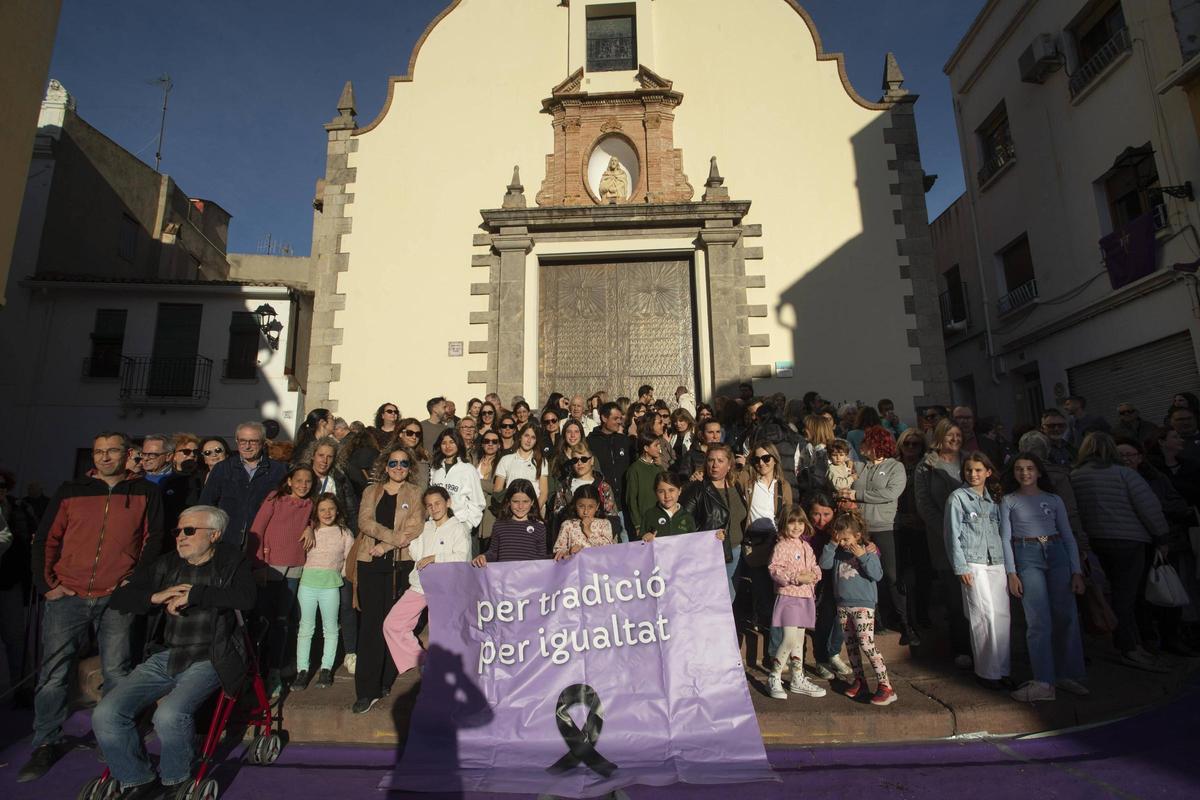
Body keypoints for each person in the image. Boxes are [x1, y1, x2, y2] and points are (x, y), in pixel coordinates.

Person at [20, 431, 164, 784]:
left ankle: (111, 739)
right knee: (54, 673)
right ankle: (46, 741)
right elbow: (46, 538)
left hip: (116, 596)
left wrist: (132, 582)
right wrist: (47, 585)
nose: (104, 457)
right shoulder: (71, 490)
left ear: (127, 454)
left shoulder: (145, 492)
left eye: (112, 451)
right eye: (98, 451)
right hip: (68, 594)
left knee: (116, 672)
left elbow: (154, 540)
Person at [91, 505, 255, 800]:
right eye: (178, 531)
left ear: (214, 534)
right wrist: (155, 596)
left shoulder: (232, 562)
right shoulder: (167, 564)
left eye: (189, 530)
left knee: (169, 714)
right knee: (106, 713)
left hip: (211, 655)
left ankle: (176, 779)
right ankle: (135, 778)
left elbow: (246, 598)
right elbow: (120, 597)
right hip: (167, 654)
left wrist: (195, 594)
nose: (181, 536)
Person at [1071, 432, 1170, 670]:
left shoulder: (1075, 476)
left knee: (1109, 593)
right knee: (1127, 596)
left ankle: (1124, 641)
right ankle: (1130, 647)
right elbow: (1149, 508)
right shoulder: (1125, 474)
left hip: (1095, 540)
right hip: (1129, 540)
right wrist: (1162, 537)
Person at [1001, 454, 1089, 702]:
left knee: (1066, 615)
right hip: (1026, 553)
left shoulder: (1054, 499)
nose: (1025, 472)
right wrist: (1011, 573)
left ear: (1039, 472)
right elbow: (1005, 538)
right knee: (1038, 620)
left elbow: (1068, 536)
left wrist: (1076, 571)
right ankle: (1043, 680)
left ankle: (1066, 674)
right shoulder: (1009, 500)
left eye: (1030, 468)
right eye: (1019, 468)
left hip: (1056, 551)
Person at [351, 446, 423, 713]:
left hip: (400, 564)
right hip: (370, 562)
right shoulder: (371, 491)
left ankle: (385, 679)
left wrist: (386, 546)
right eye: (393, 463)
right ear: (385, 466)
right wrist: (390, 540)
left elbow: (415, 527)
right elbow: (365, 522)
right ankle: (366, 690)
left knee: (392, 623)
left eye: (404, 463)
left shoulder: (415, 493)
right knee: (371, 624)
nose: (398, 468)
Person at [383, 487, 472, 676]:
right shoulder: (425, 527)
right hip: (420, 585)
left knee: (440, 635)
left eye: (438, 503)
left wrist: (435, 558)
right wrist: (410, 541)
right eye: (429, 505)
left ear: (448, 503)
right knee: (392, 624)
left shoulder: (459, 528)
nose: (434, 508)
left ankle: (442, 675)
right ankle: (423, 660)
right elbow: (417, 554)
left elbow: (462, 558)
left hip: (445, 589)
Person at [944, 452, 1010, 690]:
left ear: (988, 472)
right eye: (969, 470)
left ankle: (1002, 669)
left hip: (996, 561)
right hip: (973, 561)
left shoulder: (994, 500)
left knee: (1001, 616)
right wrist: (960, 566)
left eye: (978, 470)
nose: (973, 474)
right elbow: (952, 535)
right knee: (983, 615)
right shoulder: (958, 498)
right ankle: (986, 671)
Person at [248, 464, 315, 696]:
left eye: (308, 481)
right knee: (262, 619)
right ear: (289, 481)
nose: (303, 485)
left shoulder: (309, 504)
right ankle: (255, 670)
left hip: (295, 566)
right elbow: (257, 530)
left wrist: (310, 527)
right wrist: (258, 563)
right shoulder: (275, 498)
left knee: (282, 621)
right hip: (269, 567)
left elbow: (315, 519)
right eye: (299, 480)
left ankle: (275, 671)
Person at [819, 511, 896, 706]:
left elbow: (877, 575)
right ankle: (860, 681)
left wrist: (863, 557)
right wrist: (832, 544)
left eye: (846, 539)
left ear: (857, 536)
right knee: (851, 645)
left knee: (866, 643)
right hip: (843, 605)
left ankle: (885, 685)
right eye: (840, 539)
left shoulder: (869, 553)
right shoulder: (837, 553)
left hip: (863, 605)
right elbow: (824, 564)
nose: (844, 543)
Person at [914, 419, 971, 668]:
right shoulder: (927, 466)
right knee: (954, 597)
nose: (955, 439)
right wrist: (948, 530)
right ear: (939, 436)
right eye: (950, 435)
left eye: (958, 435)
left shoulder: (970, 460)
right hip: (943, 537)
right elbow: (924, 504)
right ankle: (962, 648)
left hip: (974, 539)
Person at [848, 426, 912, 644]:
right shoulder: (860, 466)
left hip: (885, 527)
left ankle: (904, 622)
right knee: (866, 573)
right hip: (862, 529)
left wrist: (857, 494)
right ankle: (876, 619)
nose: (862, 445)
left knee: (892, 576)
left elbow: (890, 493)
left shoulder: (895, 467)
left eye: (867, 441)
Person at [291, 494, 354, 691]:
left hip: (331, 586)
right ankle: (302, 670)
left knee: (331, 628)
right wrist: (308, 528)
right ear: (316, 513)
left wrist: (339, 575)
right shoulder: (310, 531)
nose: (327, 513)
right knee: (306, 628)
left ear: (338, 510)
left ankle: (326, 668)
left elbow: (349, 560)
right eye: (322, 510)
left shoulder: (345, 533)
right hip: (307, 585)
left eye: (331, 509)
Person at [738, 441, 793, 657]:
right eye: (757, 459)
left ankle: (776, 652)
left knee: (779, 599)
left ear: (775, 459)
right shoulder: (748, 481)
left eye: (766, 458)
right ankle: (773, 652)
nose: (761, 463)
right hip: (755, 546)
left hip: (777, 545)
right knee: (764, 597)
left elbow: (788, 515)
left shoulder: (783, 486)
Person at [765, 507, 825, 700]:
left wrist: (814, 575)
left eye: (800, 522)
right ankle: (774, 676)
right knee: (790, 638)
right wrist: (796, 577)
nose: (797, 526)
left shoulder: (806, 546)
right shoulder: (782, 546)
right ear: (784, 524)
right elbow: (775, 569)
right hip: (789, 597)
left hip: (805, 597)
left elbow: (815, 566)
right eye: (792, 522)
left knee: (799, 639)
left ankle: (797, 678)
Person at [199, 422, 287, 550]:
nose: (247, 446)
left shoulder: (278, 470)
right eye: (243, 441)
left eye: (253, 441)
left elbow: (287, 505)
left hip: (262, 540)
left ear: (263, 443)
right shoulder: (222, 468)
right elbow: (206, 504)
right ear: (237, 441)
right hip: (226, 539)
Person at [680, 445, 742, 598]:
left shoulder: (736, 486)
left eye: (720, 461)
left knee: (730, 597)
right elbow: (682, 523)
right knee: (723, 598)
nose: (714, 465)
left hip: (736, 551)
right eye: (711, 460)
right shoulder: (696, 488)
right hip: (711, 553)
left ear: (729, 465)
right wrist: (707, 537)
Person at [894, 429, 933, 629]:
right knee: (898, 573)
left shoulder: (927, 466)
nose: (910, 447)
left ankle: (922, 614)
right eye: (907, 443)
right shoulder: (893, 466)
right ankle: (903, 618)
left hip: (922, 526)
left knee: (923, 573)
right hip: (897, 525)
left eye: (915, 444)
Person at [472, 480, 549, 565]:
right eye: (515, 501)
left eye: (525, 501)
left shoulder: (539, 528)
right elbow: (493, 552)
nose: (520, 506)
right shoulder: (499, 525)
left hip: (529, 574)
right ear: (508, 501)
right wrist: (483, 557)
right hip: (504, 573)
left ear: (532, 502)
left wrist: (557, 556)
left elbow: (542, 559)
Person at [428, 429, 486, 532]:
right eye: (444, 443)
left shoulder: (468, 469)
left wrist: (467, 525)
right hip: (436, 525)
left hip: (458, 525)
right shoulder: (435, 468)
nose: (448, 446)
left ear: (458, 443)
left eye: (452, 442)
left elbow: (478, 502)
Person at [588, 402, 633, 509]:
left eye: (620, 418)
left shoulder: (624, 441)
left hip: (625, 502)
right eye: (615, 418)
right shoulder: (590, 442)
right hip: (602, 502)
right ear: (604, 418)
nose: (619, 422)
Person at [495, 422, 548, 512]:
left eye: (533, 437)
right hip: (511, 510)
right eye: (526, 436)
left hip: (534, 510)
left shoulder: (541, 461)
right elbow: (498, 490)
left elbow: (544, 493)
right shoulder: (506, 459)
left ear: (536, 441)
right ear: (520, 437)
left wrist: (535, 512)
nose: (529, 440)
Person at [553, 484, 615, 559]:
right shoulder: (568, 525)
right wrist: (568, 552)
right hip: (576, 565)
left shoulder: (604, 524)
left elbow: (609, 549)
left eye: (590, 507)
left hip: (598, 565)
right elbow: (558, 550)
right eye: (581, 506)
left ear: (597, 506)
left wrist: (588, 532)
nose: (586, 512)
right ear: (575, 505)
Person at [625, 432, 666, 539]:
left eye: (659, 445)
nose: (659, 448)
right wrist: (637, 524)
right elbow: (631, 499)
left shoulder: (658, 468)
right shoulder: (634, 469)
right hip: (644, 522)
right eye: (656, 445)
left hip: (661, 518)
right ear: (646, 448)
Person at [640, 473, 697, 540]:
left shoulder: (688, 518)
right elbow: (639, 542)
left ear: (679, 491)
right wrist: (643, 538)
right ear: (656, 493)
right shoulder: (649, 515)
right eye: (661, 492)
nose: (667, 496)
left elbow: (694, 543)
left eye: (671, 490)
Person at [395, 418, 432, 489]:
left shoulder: (424, 457)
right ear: (400, 434)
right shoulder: (390, 455)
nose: (414, 437)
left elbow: (429, 483)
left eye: (418, 434)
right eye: (409, 433)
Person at [668, 408, 696, 473]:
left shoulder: (693, 436)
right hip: (672, 469)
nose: (678, 424)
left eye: (681, 420)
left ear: (688, 420)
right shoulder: (671, 435)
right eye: (675, 421)